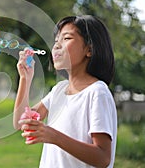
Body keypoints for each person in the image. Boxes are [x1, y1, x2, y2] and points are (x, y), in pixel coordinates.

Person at [13, 15, 117, 168]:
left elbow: (102, 158)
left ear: (89, 49)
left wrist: (53, 136)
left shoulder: (97, 93)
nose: (56, 46)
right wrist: (25, 79)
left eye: (66, 38)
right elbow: (20, 122)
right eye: (56, 41)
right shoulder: (59, 90)